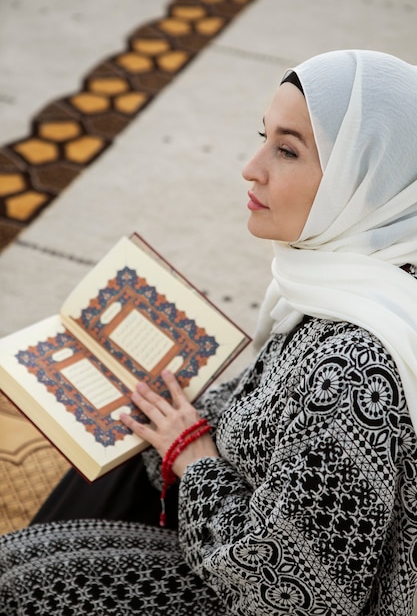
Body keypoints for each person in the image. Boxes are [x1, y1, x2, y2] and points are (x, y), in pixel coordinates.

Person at [1, 48, 417, 616]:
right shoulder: (363, 281)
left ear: (365, 179)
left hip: (256, 589)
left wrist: (193, 456)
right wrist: (179, 422)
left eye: (287, 150)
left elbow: (296, 590)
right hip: (238, 524)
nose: (252, 166)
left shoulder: (355, 362)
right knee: (122, 448)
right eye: (263, 137)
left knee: (31, 584)